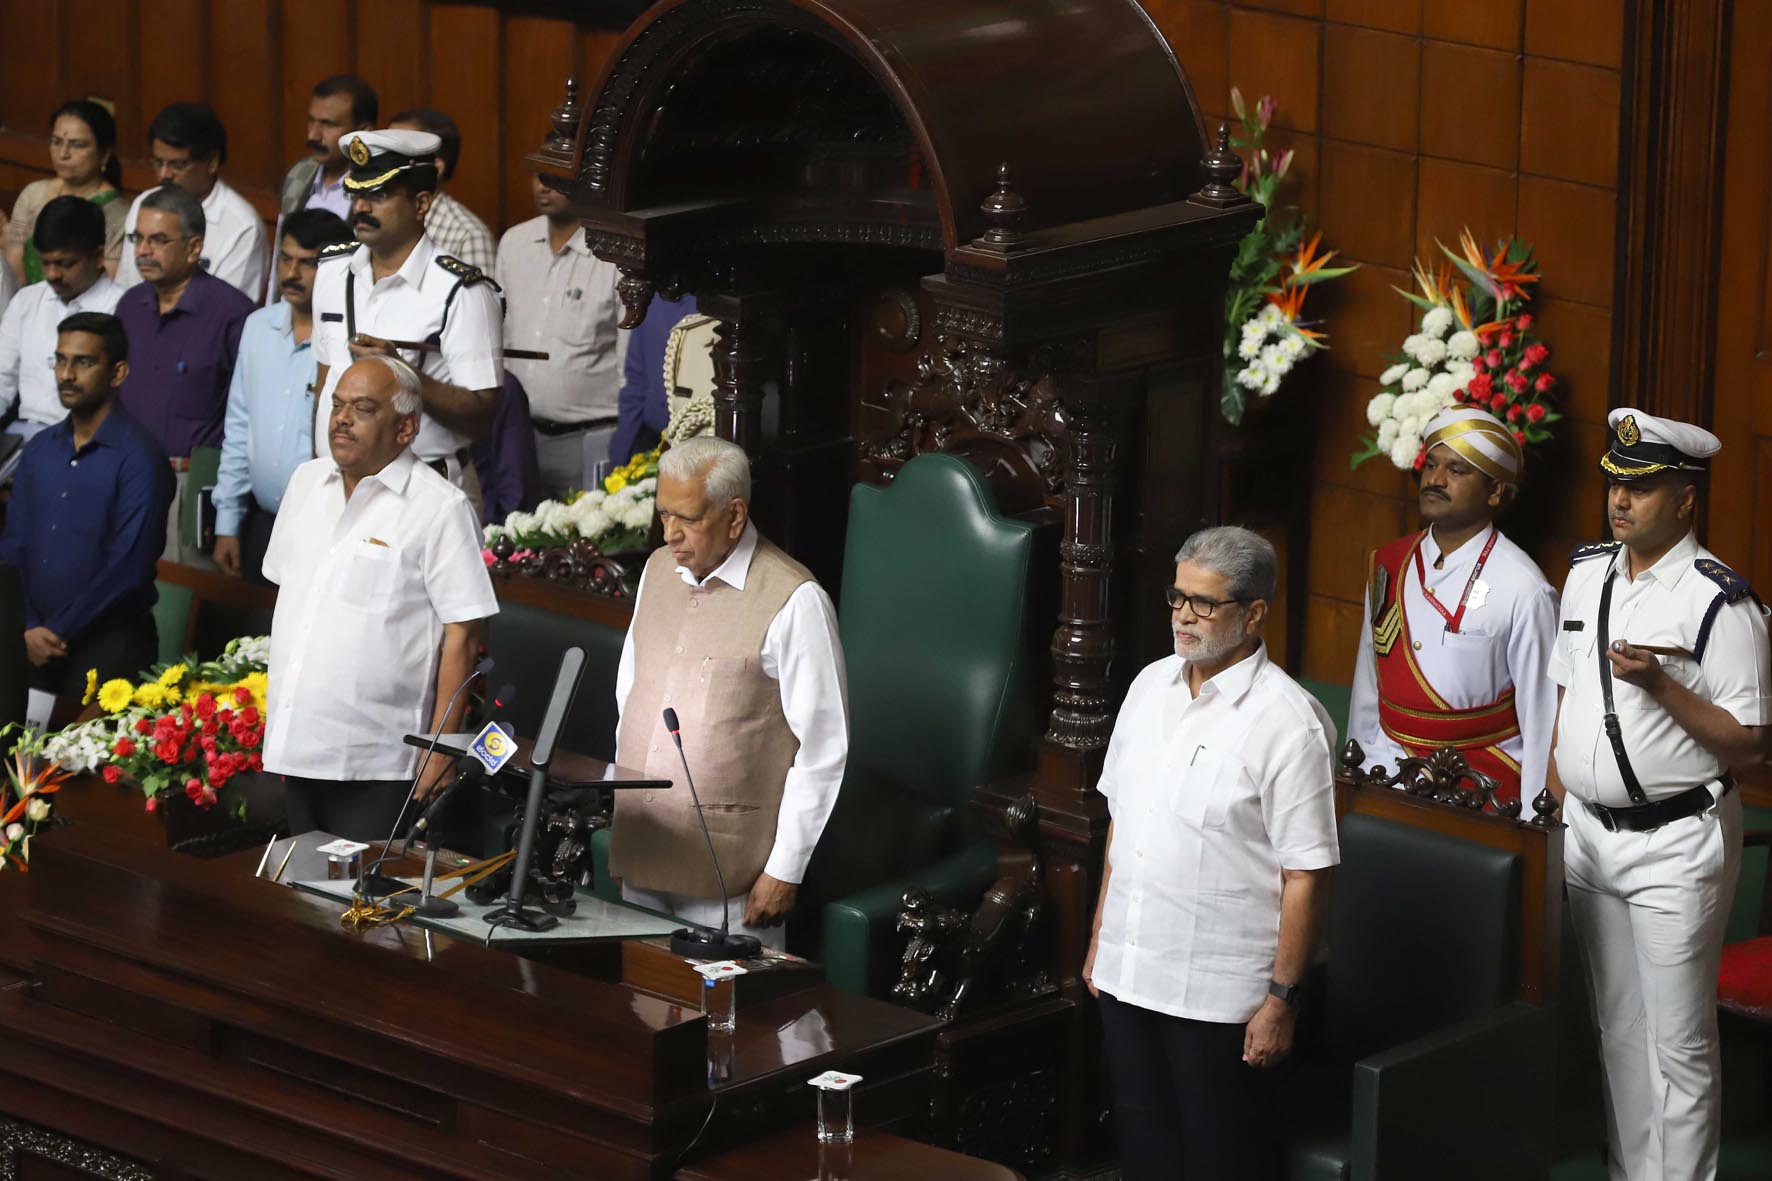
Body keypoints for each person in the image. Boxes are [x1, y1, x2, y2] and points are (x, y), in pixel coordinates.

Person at [1549, 408, 1769, 1181]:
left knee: (1678, 1044)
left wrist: (1662, 684)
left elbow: (1750, 742)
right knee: (1618, 1028)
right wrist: (1556, 812)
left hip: (1677, 839)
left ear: (1685, 501)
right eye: (1616, 485)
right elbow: (1565, 696)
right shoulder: (1583, 572)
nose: (1621, 502)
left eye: (1642, 489)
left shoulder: (1722, 603)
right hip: (1587, 831)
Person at [1082, 525, 1338, 1181]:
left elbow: (1307, 873)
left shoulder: (1288, 721)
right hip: (1130, 974)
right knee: (1142, 1156)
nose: (1184, 616)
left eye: (1204, 603)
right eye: (1177, 598)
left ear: (1254, 612)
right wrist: (1099, 936)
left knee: (1219, 1163)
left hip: (1219, 999)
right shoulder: (1148, 687)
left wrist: (1282, 998)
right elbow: (1123, 823)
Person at [610, 436, 848, 951]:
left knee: (732, 1027)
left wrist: (785, 868)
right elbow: (629, 699)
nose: (670, 534)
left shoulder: (795, 599)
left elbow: (824, 749)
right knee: (637, 1014)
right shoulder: (655, 571)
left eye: (688, 519)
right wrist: (622, 839)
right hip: (641, 854)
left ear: (734, 516)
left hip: (731, 879)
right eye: (663, 514)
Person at [261, 355, 498, 841]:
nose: (342, 419)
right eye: (338, 405)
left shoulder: (439, 507)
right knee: (296, 903)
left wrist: (442, 748)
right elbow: (293, 602)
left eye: (363, 408)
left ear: (405, 427)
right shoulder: (305, 483)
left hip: (380, 761)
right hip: (297, 744)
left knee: (364, 910)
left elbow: (465, 632)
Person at [1348, 407, 1559, 808]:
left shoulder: (1524, 586)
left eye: (1457, 471)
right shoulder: (1388, 563)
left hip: (1481, 788)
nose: (1435, 480)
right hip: (1387, 774)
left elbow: (1542, 718)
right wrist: (1355, 780)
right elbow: (1366, 688)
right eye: (1431, 466)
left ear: (1495, 491)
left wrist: (1535, 822)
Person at [309, 129, 503, 505]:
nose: (361, 207)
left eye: (378, 196)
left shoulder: (461, 291)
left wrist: (402, 374)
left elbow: (481, 415)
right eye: (357, 194)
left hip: (422, 491)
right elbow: (324, 382)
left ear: (421, 203)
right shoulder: (332, 272)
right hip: (338, 484)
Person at [0, 312, 173, 728]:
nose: (67, 374)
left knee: (65, 775)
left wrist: (53, 631)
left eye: (83, 362)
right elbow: (13, 546)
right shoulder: (40, 449)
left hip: (106, 644)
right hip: (29, 637)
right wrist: (25, 629)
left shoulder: (141, 460)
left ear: (118, 373)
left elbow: (127, 569)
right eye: (60, 361)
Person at [114, 184, 257, 565]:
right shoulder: (129, 306)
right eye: (138, 239)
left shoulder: (233, 315)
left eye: (158, 240)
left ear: (194, 248)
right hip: (127, 479)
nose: (143, 251)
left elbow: (248, 416)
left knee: (185, 611)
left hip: (191, 486)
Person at [211, 209, 354, 583]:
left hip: (328, 527)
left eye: (308, 263)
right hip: (261, 524)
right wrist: (228, 520)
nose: (291, 273)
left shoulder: (353, 340)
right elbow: (239, 427)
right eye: (286, 259)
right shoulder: (258, 327)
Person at [496, 173, 622, 495]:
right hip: (518, 434)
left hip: (590, 436)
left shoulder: (613, 253)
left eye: (558, 176)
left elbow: (629, 363)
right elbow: (498, 333)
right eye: (538, 174)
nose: (543, 185)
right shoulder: (514, 242)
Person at [0, 197, 123, 449]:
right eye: (46, 263)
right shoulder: (27, 300)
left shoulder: (123, 309)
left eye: (65, 264)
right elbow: (2, 379)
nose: (53, 274)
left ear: (98, 256)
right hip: (21, 435)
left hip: (89, 440)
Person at [116, 103, 268, 300]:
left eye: (177, 165)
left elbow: (228, 313)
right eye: (158, 162)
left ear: (212, 162)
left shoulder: (243, 227)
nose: (164, 175)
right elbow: (127, 288)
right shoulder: (144, 204)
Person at [4, 100, 126, 284]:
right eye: (56, 142)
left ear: (104, 153)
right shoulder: (33, 195)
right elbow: (14, 275)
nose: (63, 153)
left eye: (77, 144)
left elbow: (111, 283)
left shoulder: (117, 214)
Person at [386, 108, 496, 274]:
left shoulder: (468, 236)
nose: (383, 162)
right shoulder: (377, 217)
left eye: (398, 154)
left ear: (436, 168)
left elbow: (478, 299)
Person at [611, 290, 699, 468]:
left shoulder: (716, 306)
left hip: (700, 451)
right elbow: (636, 383)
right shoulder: (653, 301)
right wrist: (620, 456)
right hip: (652, 445)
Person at [277, 75, 378, 223]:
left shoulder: (377, 190)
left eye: (328, 124)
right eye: (311, 121)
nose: (313, 135)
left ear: (362, 132)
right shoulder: (299, 173)